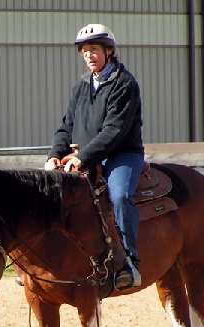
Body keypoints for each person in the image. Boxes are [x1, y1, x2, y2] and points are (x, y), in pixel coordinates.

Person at [44, 24, 144, 290]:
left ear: (109, 51)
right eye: (85, 51)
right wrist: (55, 154)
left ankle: (130, 262)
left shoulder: (125, 83)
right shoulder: (81, 86)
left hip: (122, 154)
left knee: (120, 196)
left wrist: (83, 157)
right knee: (49, 193)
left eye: (95, 50)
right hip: (86, 155)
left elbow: (114, 130)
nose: (89, 55)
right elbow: (66, 125)